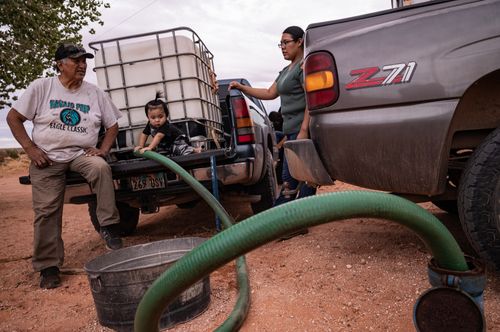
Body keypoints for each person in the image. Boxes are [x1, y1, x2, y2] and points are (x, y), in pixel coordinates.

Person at [7, 43, 124, 289]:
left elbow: (112, 124)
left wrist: (103, 149)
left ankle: (109, 227)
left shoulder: (94, 92)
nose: (82, 65)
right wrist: (30, 149)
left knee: (101, 168)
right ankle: (48, 267)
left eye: (84, 61)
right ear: (60, 64)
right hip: (46, 157)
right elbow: (13, 118)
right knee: (46, 210)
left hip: (81, 153)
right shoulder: (43, 87)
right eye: (76, 61)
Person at [229, 26, 317, 208]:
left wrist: (304, 130)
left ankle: (298, 218)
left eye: (286, 42)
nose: (283, 47)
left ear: (300, 41)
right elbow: (270, 93)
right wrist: (242, 88)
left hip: (301, 132)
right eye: (281, 44)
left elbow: (311, 98)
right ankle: (293, 218)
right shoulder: (286, 70)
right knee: (291, 179)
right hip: (291, 132)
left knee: (302, 178)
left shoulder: (303, 67)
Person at [134, 92, 201, 155]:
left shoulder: (165, 125)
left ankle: (194, 150)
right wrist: (141, 146)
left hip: (179, 141)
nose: (157, 120)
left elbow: (158, 136)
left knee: (177, 149)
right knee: (162, 150)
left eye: (160, 117)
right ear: (148, 118)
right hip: (167, 144)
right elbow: (144, 134)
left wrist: (150, 147)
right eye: (153, 118)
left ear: (166, 115)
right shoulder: (150, 124)